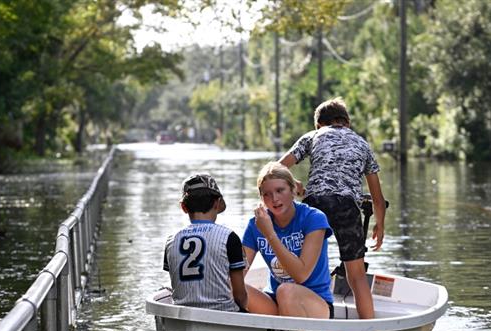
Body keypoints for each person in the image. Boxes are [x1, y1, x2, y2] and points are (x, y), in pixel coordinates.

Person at [278, 97, 386, 319]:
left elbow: (278, 168)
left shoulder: (313, 136)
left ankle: (301, 315)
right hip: (348, 206)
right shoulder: (361, 143)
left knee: (305, 267)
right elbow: (377, 196)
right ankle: (369, 329)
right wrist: (380, 226)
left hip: (315, 204)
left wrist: (295, 184)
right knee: (356, 275)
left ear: (319, 124)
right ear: (347, 122)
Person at [242, 162, 334, 319]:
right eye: (267, 194)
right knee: (231, 287)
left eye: (280, 190)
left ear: (293, 190)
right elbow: (238, 272)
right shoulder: (256, 224)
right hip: (275, 301)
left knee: (286, 290)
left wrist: (270, 234)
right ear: (261, 198)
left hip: (315, 304)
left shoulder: (314, 218)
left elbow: (301, 275)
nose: (274, 199)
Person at [163, 173, 248, 312]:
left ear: (184, 207)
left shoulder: (171, 241)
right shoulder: (229, 237)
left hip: (182, 313)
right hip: (221, 312)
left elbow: (177, 284)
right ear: (217, 203)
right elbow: (240, 295)